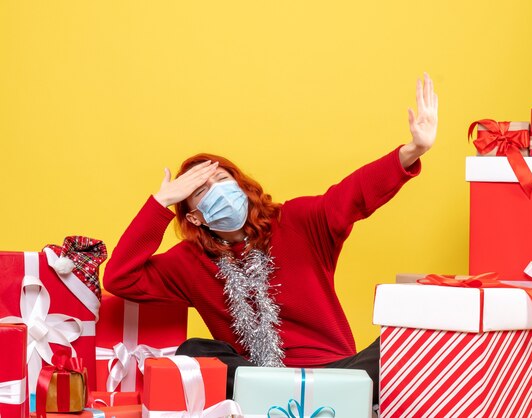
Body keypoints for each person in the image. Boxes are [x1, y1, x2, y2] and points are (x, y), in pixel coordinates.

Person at [103, 73, 438, 404]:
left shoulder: (299, 221)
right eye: (200, 190)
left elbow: (354, 194)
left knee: (401, 344)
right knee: (192, 353)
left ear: (240, 185)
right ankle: (289, 396)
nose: (217, 190)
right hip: (257, 377)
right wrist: (162, 202)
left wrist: (411, 151)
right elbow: (120, 277)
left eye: (222, 179)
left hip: (337, 371)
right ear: (194, 216)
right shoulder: (188, 261)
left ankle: (316, 396)